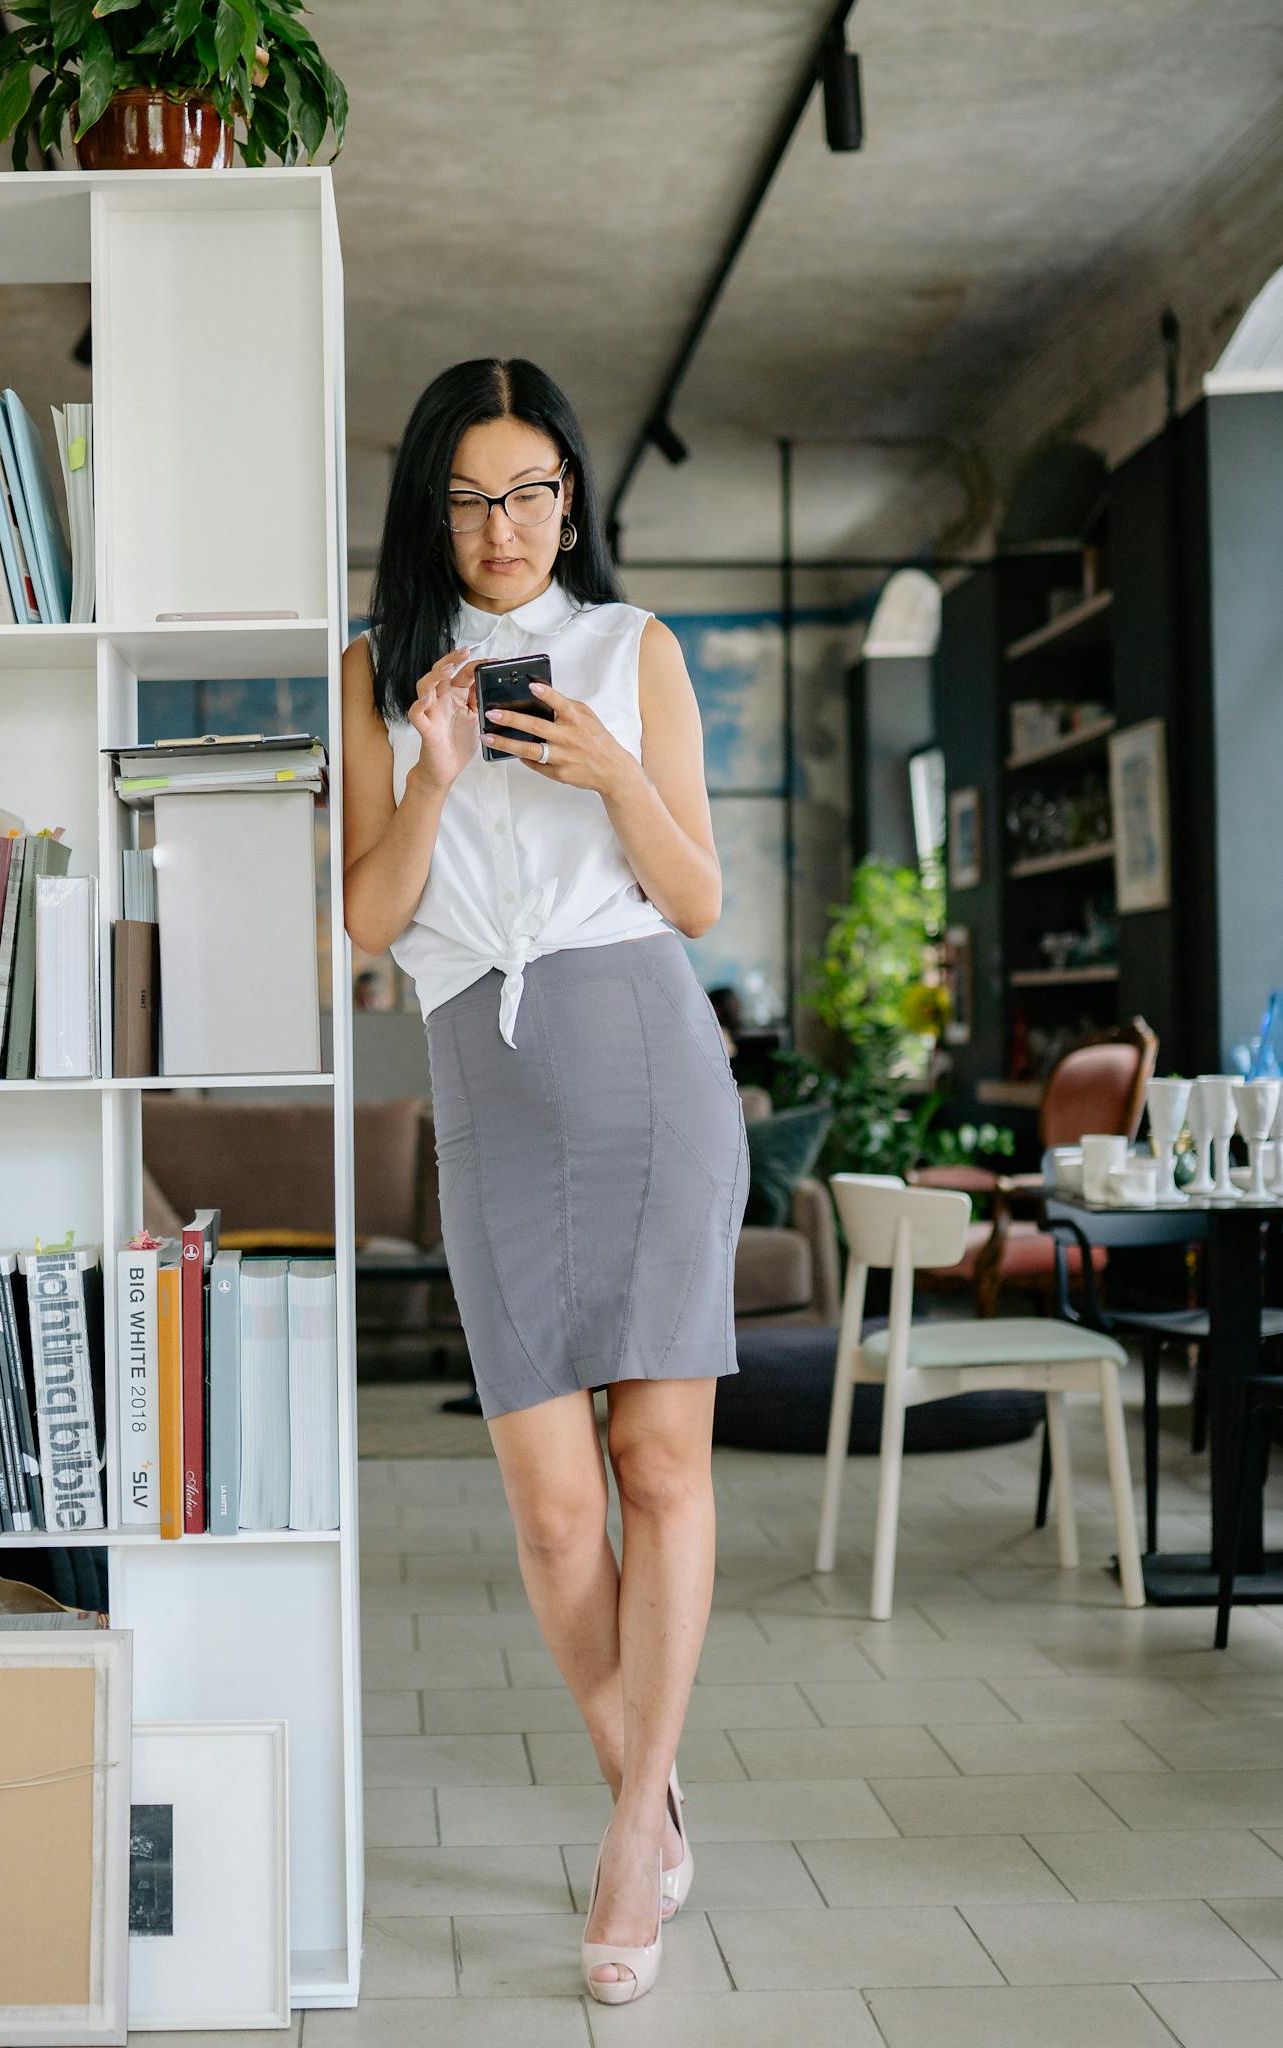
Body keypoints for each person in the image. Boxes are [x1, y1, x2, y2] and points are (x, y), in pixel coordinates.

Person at [342, 358, 748, 2006]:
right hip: (487, 1085)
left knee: (657, 1473)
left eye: (529, 495)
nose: (502, 530)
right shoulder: (374, 668)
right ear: (430, 506)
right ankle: (645, 1794)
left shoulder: (634, 652)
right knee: (555, 1506)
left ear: (571, 496)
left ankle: (629, 1848)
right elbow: (367, 928)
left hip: (647, 1061)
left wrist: (614, 771)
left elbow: (702, 898)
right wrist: (436, 772)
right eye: (469, 497)